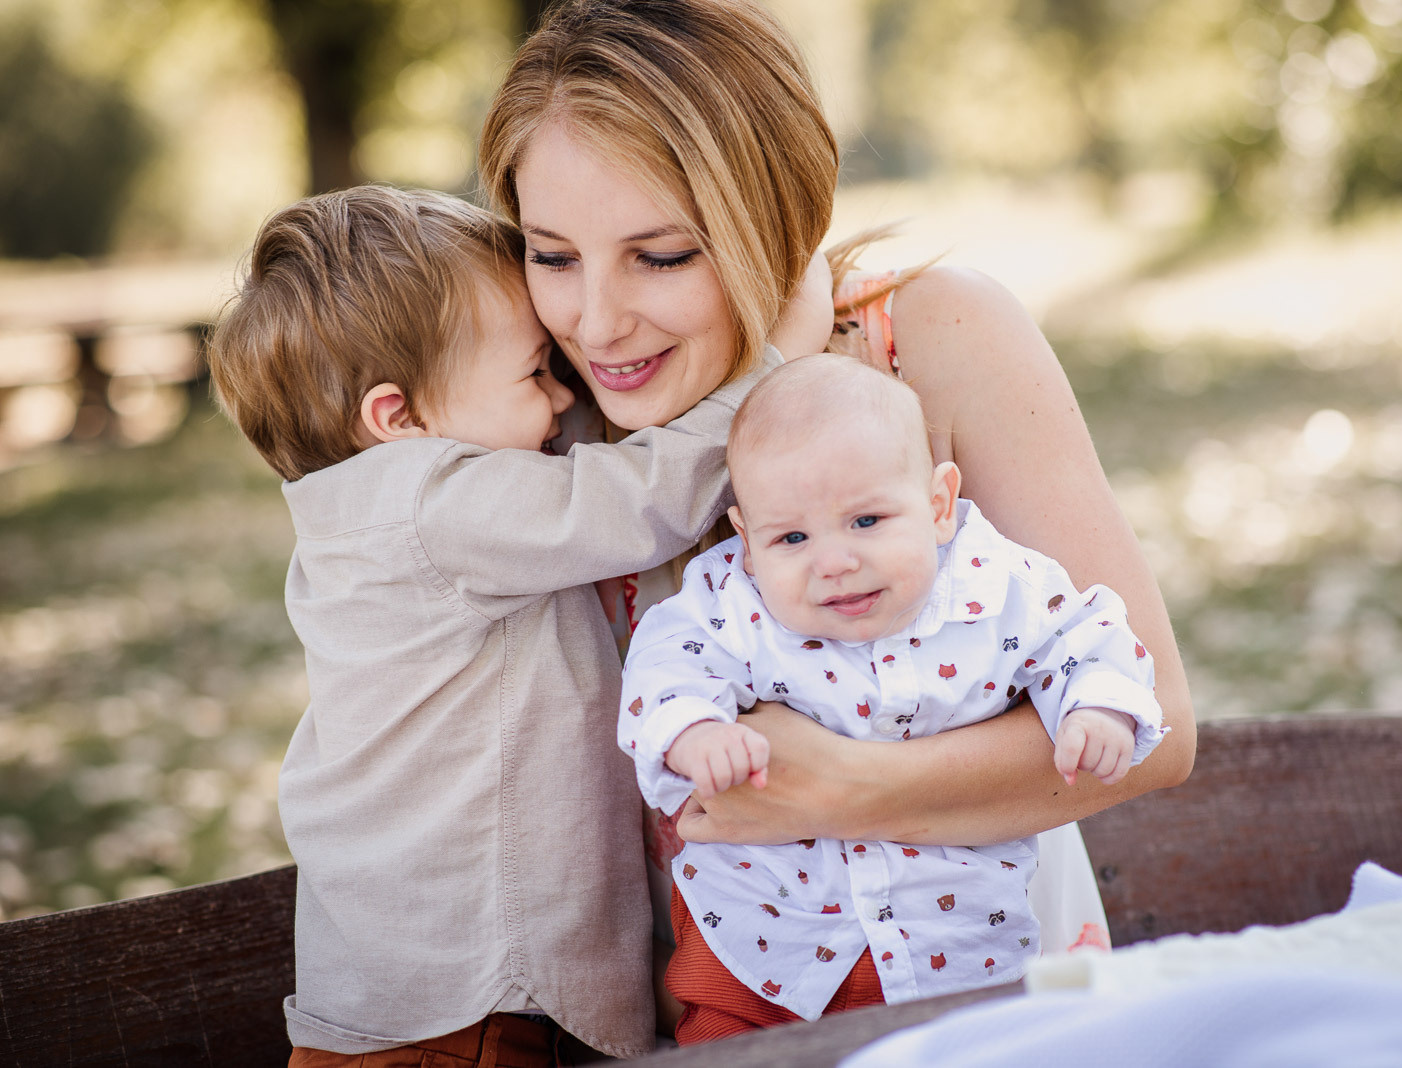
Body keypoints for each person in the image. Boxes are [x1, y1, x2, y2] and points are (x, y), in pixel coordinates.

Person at [479, 0, 1195, 1035]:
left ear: (778, 217)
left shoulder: (927, 336)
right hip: (706, 1015)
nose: (596, 320)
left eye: (665, 255)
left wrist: (843, 785)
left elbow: (1157, 724)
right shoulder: (531, 407)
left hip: (985, 994)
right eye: (553, 255)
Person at [205, 185, 826, 1065]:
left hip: (424, 1005)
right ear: (400, 419)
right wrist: (771, 359)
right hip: (456, 1025)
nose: (560, 395)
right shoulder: (432, 507)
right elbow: (642, 500)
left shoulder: (367, 506)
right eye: (535, 372)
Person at [618, 356, 1167, 1043]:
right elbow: (667, 662)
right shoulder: (732, 602)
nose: (833, 561)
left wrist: (1096, 705)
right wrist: (693, 729)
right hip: (760, 944)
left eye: (867, 520)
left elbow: (1085, 638)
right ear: (748, 542)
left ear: (938, 505)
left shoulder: (1002, 585)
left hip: (954, 943)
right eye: (791, 537)